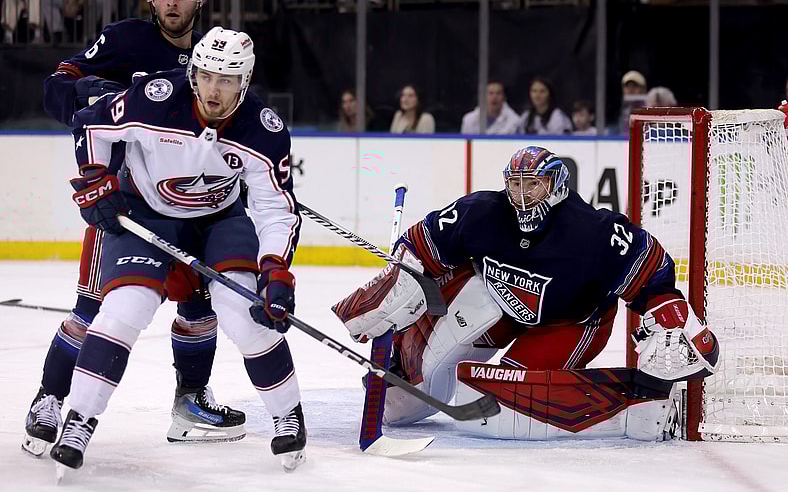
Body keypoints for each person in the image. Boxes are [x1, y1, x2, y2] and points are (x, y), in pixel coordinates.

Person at [330, 146, 720, 441]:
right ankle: (405, 362)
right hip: (499, 305)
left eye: (533, 184)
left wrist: (671, 319)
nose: (522, 194)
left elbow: (652, 270)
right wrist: (398, 283)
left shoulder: (591, 232)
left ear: (556, 185)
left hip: (570, 323)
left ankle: (628, 411)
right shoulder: (483, 212)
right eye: (515, 184)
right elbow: (421, 243)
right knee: (401, 403)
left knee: (501, 407)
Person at [49, 27, 307, 472]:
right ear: (193, 73)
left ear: (244, 82)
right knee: (123, 309)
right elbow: (91, 124)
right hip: (147, 213)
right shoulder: (156, 98)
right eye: (205, 76)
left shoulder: (263, 129)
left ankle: (288, 416)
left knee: (243, 312)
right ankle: (80, 420)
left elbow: (274, 210)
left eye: (226, 80)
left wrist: (276, 271)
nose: (213, 90)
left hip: (219, 220)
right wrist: (96, 179)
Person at [24, 0, 245, 459]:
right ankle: (49, 399)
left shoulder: (215, 52)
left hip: (193, 207)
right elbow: (59, 86)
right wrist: (90, 93)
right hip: (126, 203)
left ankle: (190, 402)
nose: (172, 3)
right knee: (92, 310)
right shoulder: (125, 40)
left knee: (199, 309)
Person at [616, 70, 648, 135]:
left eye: (635, 86)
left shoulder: (649, 109)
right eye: (627, 86)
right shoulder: (620, 109)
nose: (630, 89)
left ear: (643, 89)